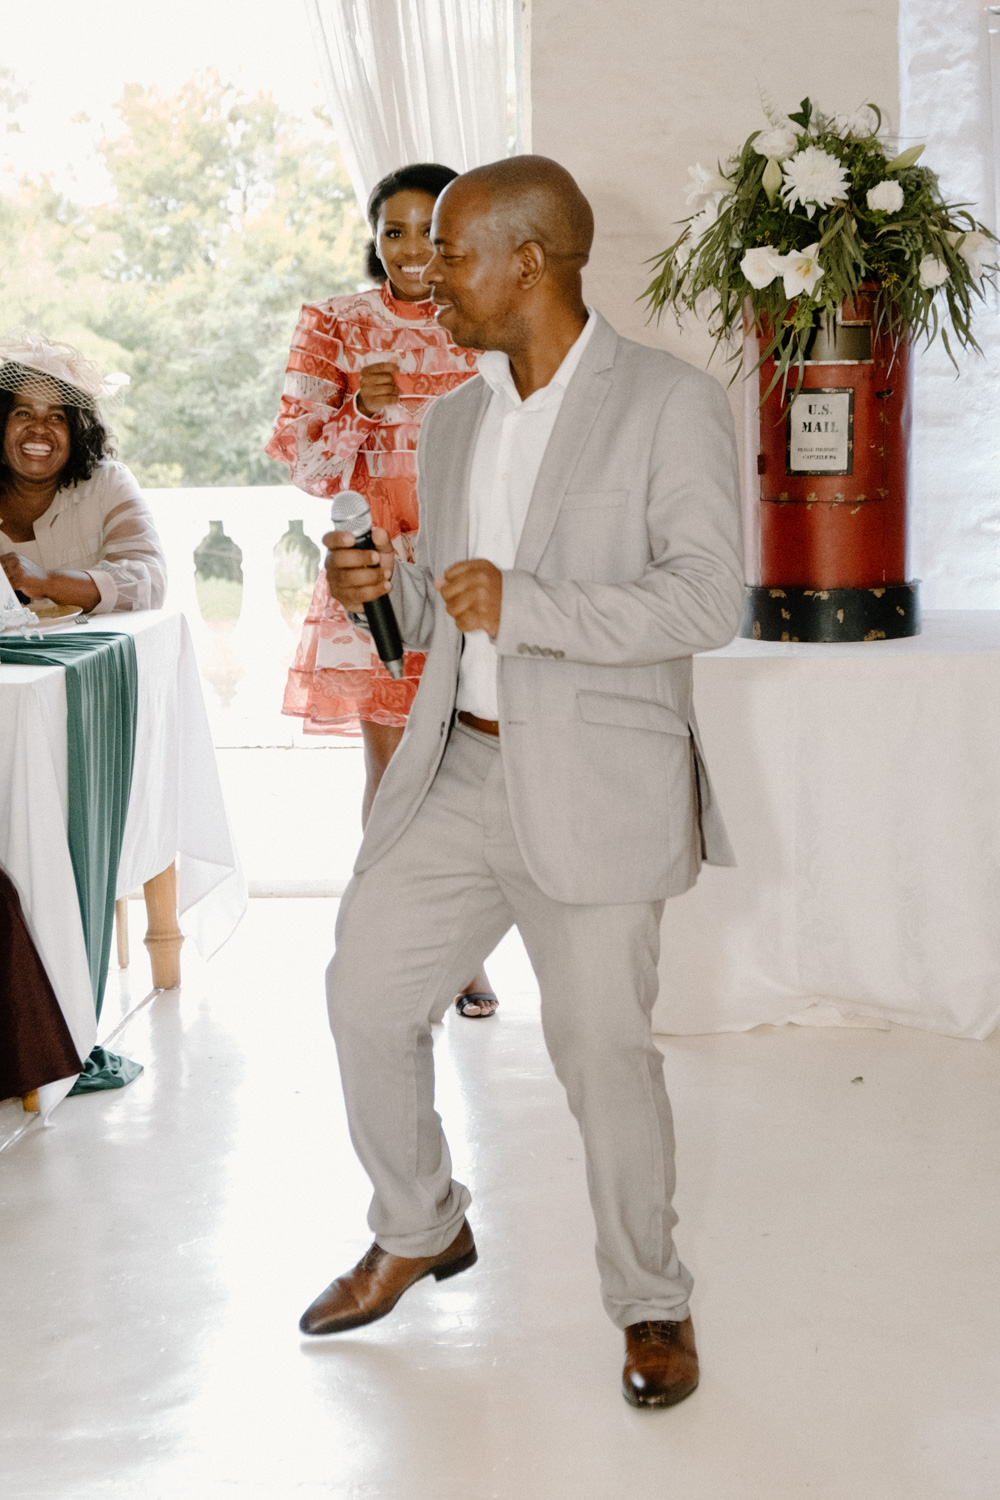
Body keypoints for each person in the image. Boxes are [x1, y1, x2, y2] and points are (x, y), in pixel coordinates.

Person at [298, 156, 744, 1408]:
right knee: (364, 996)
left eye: (449, 253)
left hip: (597, 785)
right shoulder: (455, 417)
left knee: (603, 1054)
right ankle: (419, 1224)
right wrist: (385, 585)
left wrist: (529, 604)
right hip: (457, 769)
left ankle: (649, 1301)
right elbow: (452, 592)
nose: (425, 274)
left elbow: (706, 599)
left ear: (527, 262)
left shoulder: (667, 402)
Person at [267, 163, 498, 1019]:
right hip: (375, 580)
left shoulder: (488, 318)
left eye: (428, 233)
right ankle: (410, 951)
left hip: (477, 573)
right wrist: (360, 412)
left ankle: (463, 947)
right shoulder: (336, 324)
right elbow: (304, 465)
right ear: (374, 240)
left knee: (473, 769)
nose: (410, 249)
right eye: (392, 231)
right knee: (397, 771)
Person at [0, 334, 165, 614]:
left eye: (57, 417)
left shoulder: (108, 484)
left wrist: (47, 581)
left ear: (77, 431)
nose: (39, 427)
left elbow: (149, 586)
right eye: (23, 413)